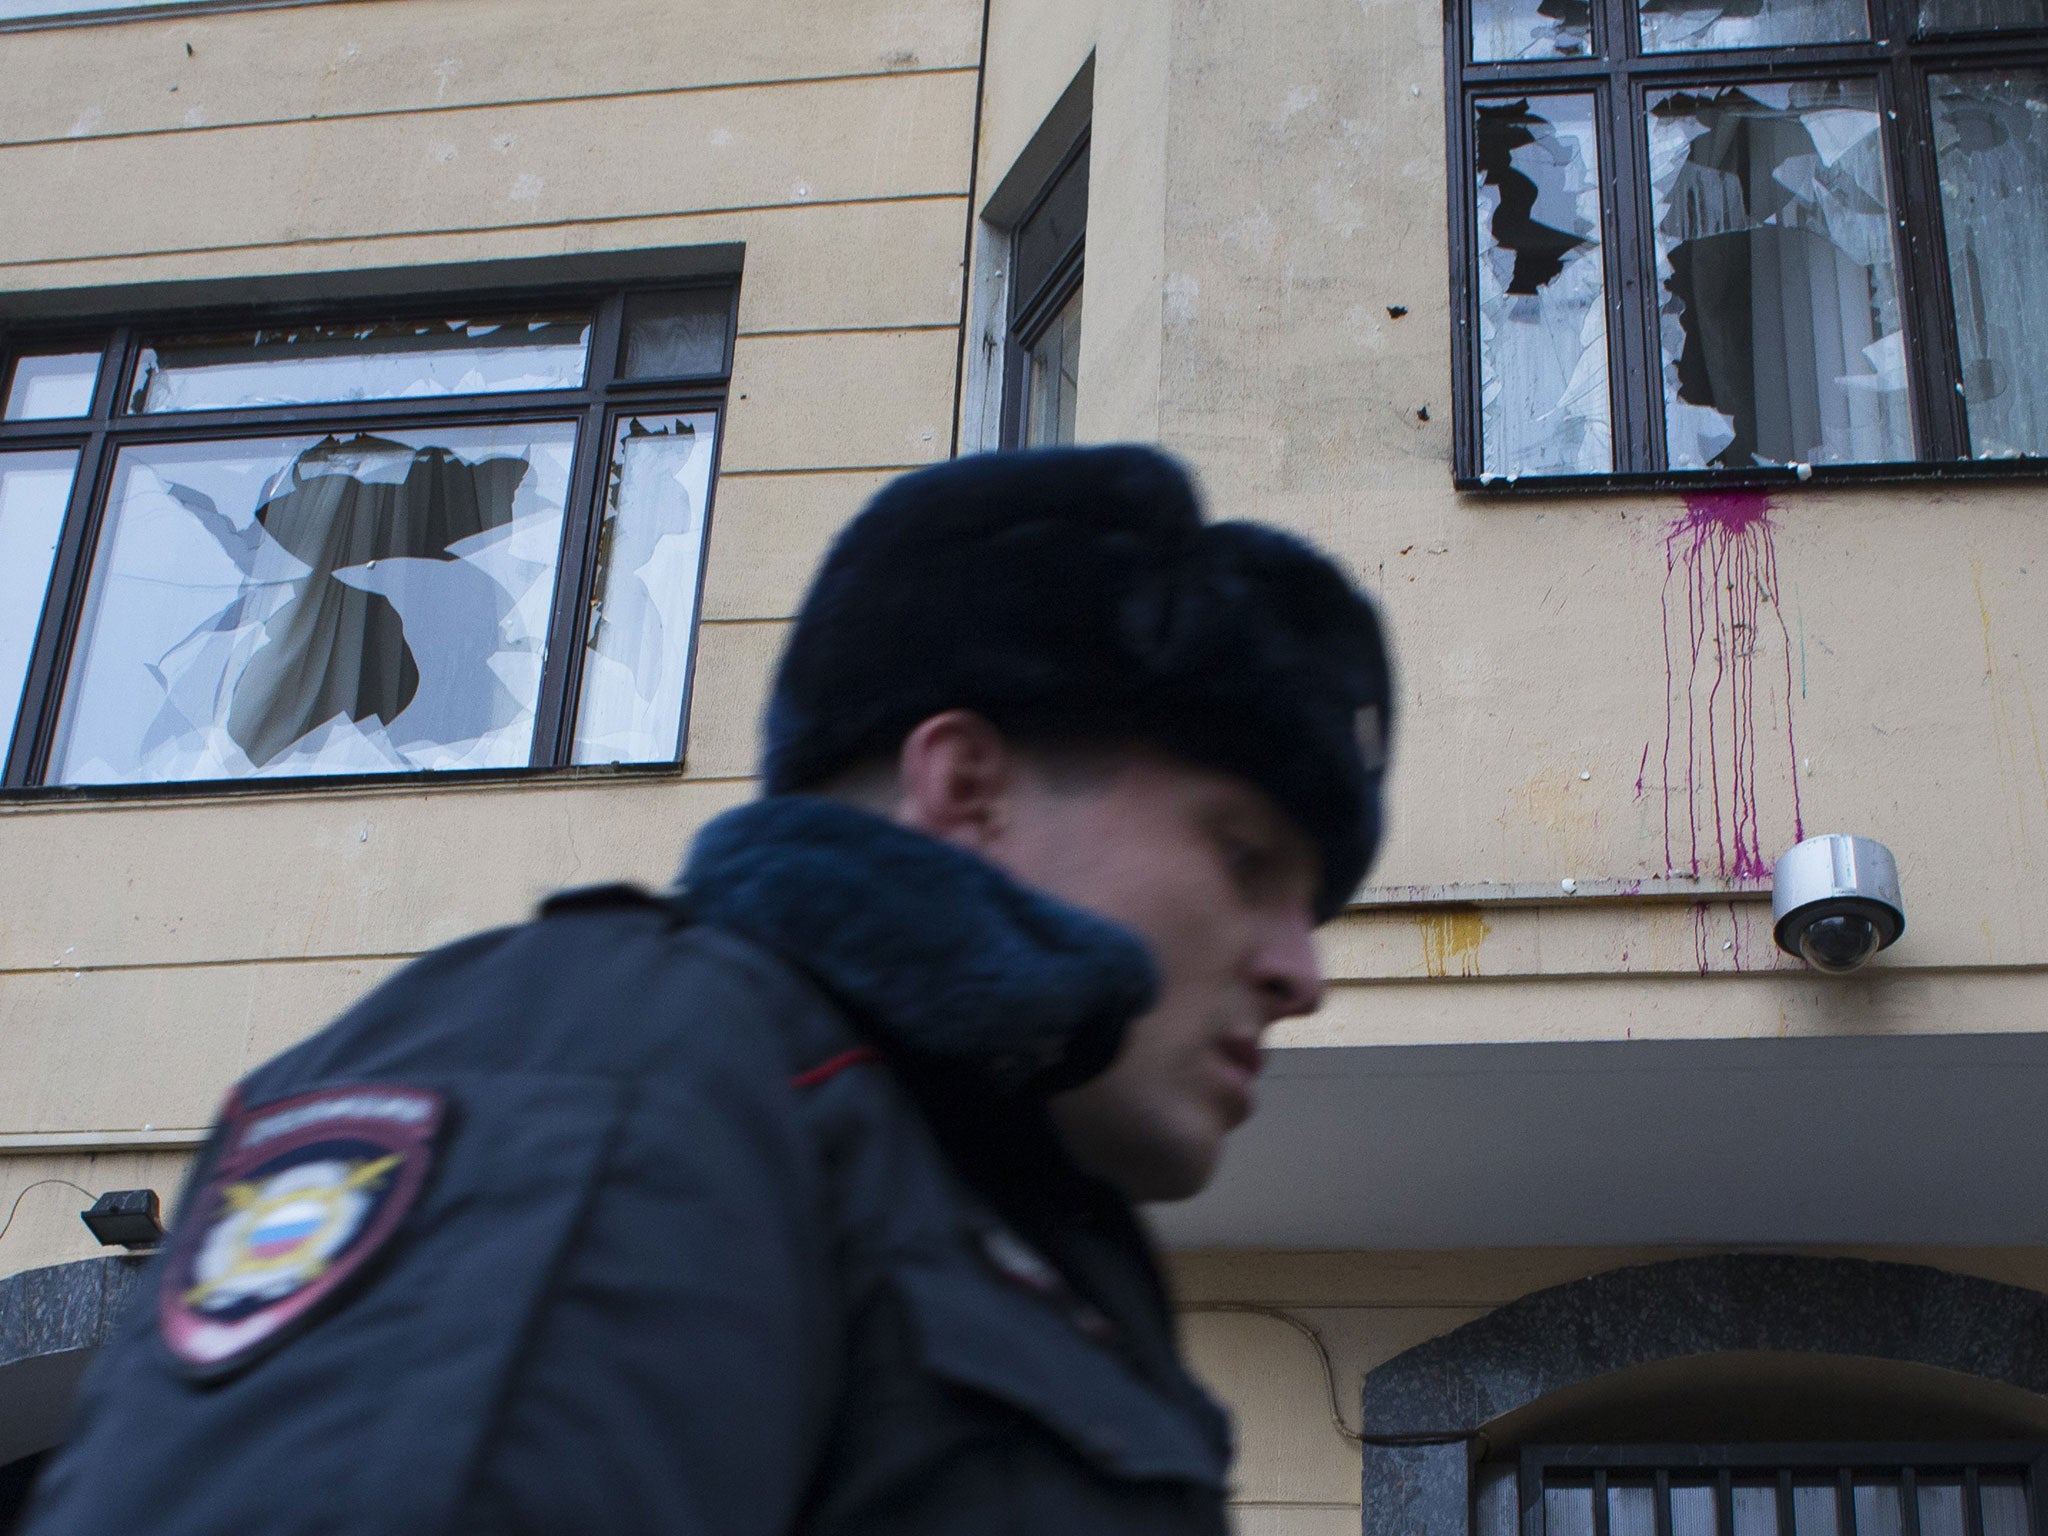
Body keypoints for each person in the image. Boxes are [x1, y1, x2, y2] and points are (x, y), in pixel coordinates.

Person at [23, 444, 1393, 1536]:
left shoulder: (998, 1221)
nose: (1301, 972)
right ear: (964, 788)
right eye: (1244, 859)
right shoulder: (614, 1067)